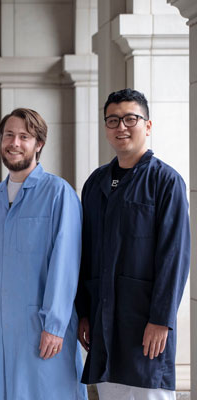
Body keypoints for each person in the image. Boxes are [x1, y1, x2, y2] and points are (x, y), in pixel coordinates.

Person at [76, 88, 190, 399]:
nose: (121, 127)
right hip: (103, 320)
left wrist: (161, 319)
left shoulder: (166, 182)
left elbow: (174, 256)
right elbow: (85, 251)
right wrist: (83, 311)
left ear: (148, 126)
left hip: (145, 322)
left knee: (149, 391)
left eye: (130, 118)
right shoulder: (95, 183)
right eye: (112, 120)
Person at [0, 108, 86, 399]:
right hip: (1, 328)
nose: (15, 143)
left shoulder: (58, 194)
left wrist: (55, 325)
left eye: (24, 136)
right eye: (9, 135)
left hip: (42, 329)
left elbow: (66, 263)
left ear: (38, 144)